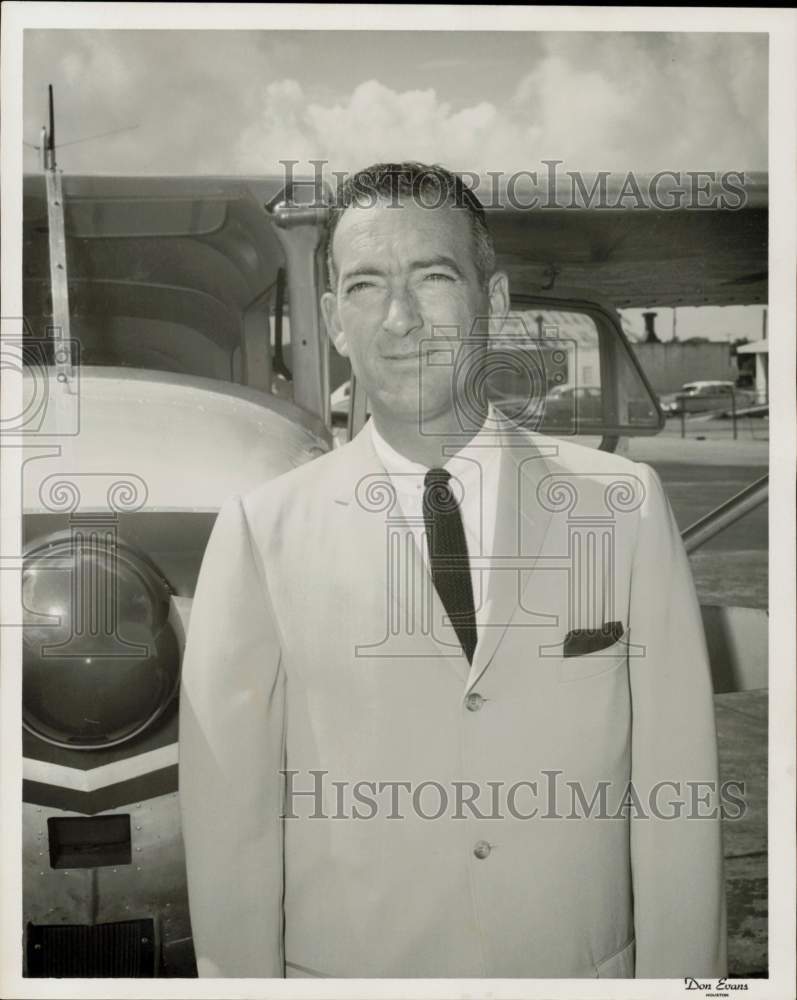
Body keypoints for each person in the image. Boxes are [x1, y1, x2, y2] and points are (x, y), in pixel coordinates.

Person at [178, 162, 726, 979]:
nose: (400, 318)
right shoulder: (261, 536)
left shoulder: (623, 507)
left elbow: (677, 795)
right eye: (365, 286)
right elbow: (232, 829)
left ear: (493, 301)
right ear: (332, 319)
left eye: (432, 277)